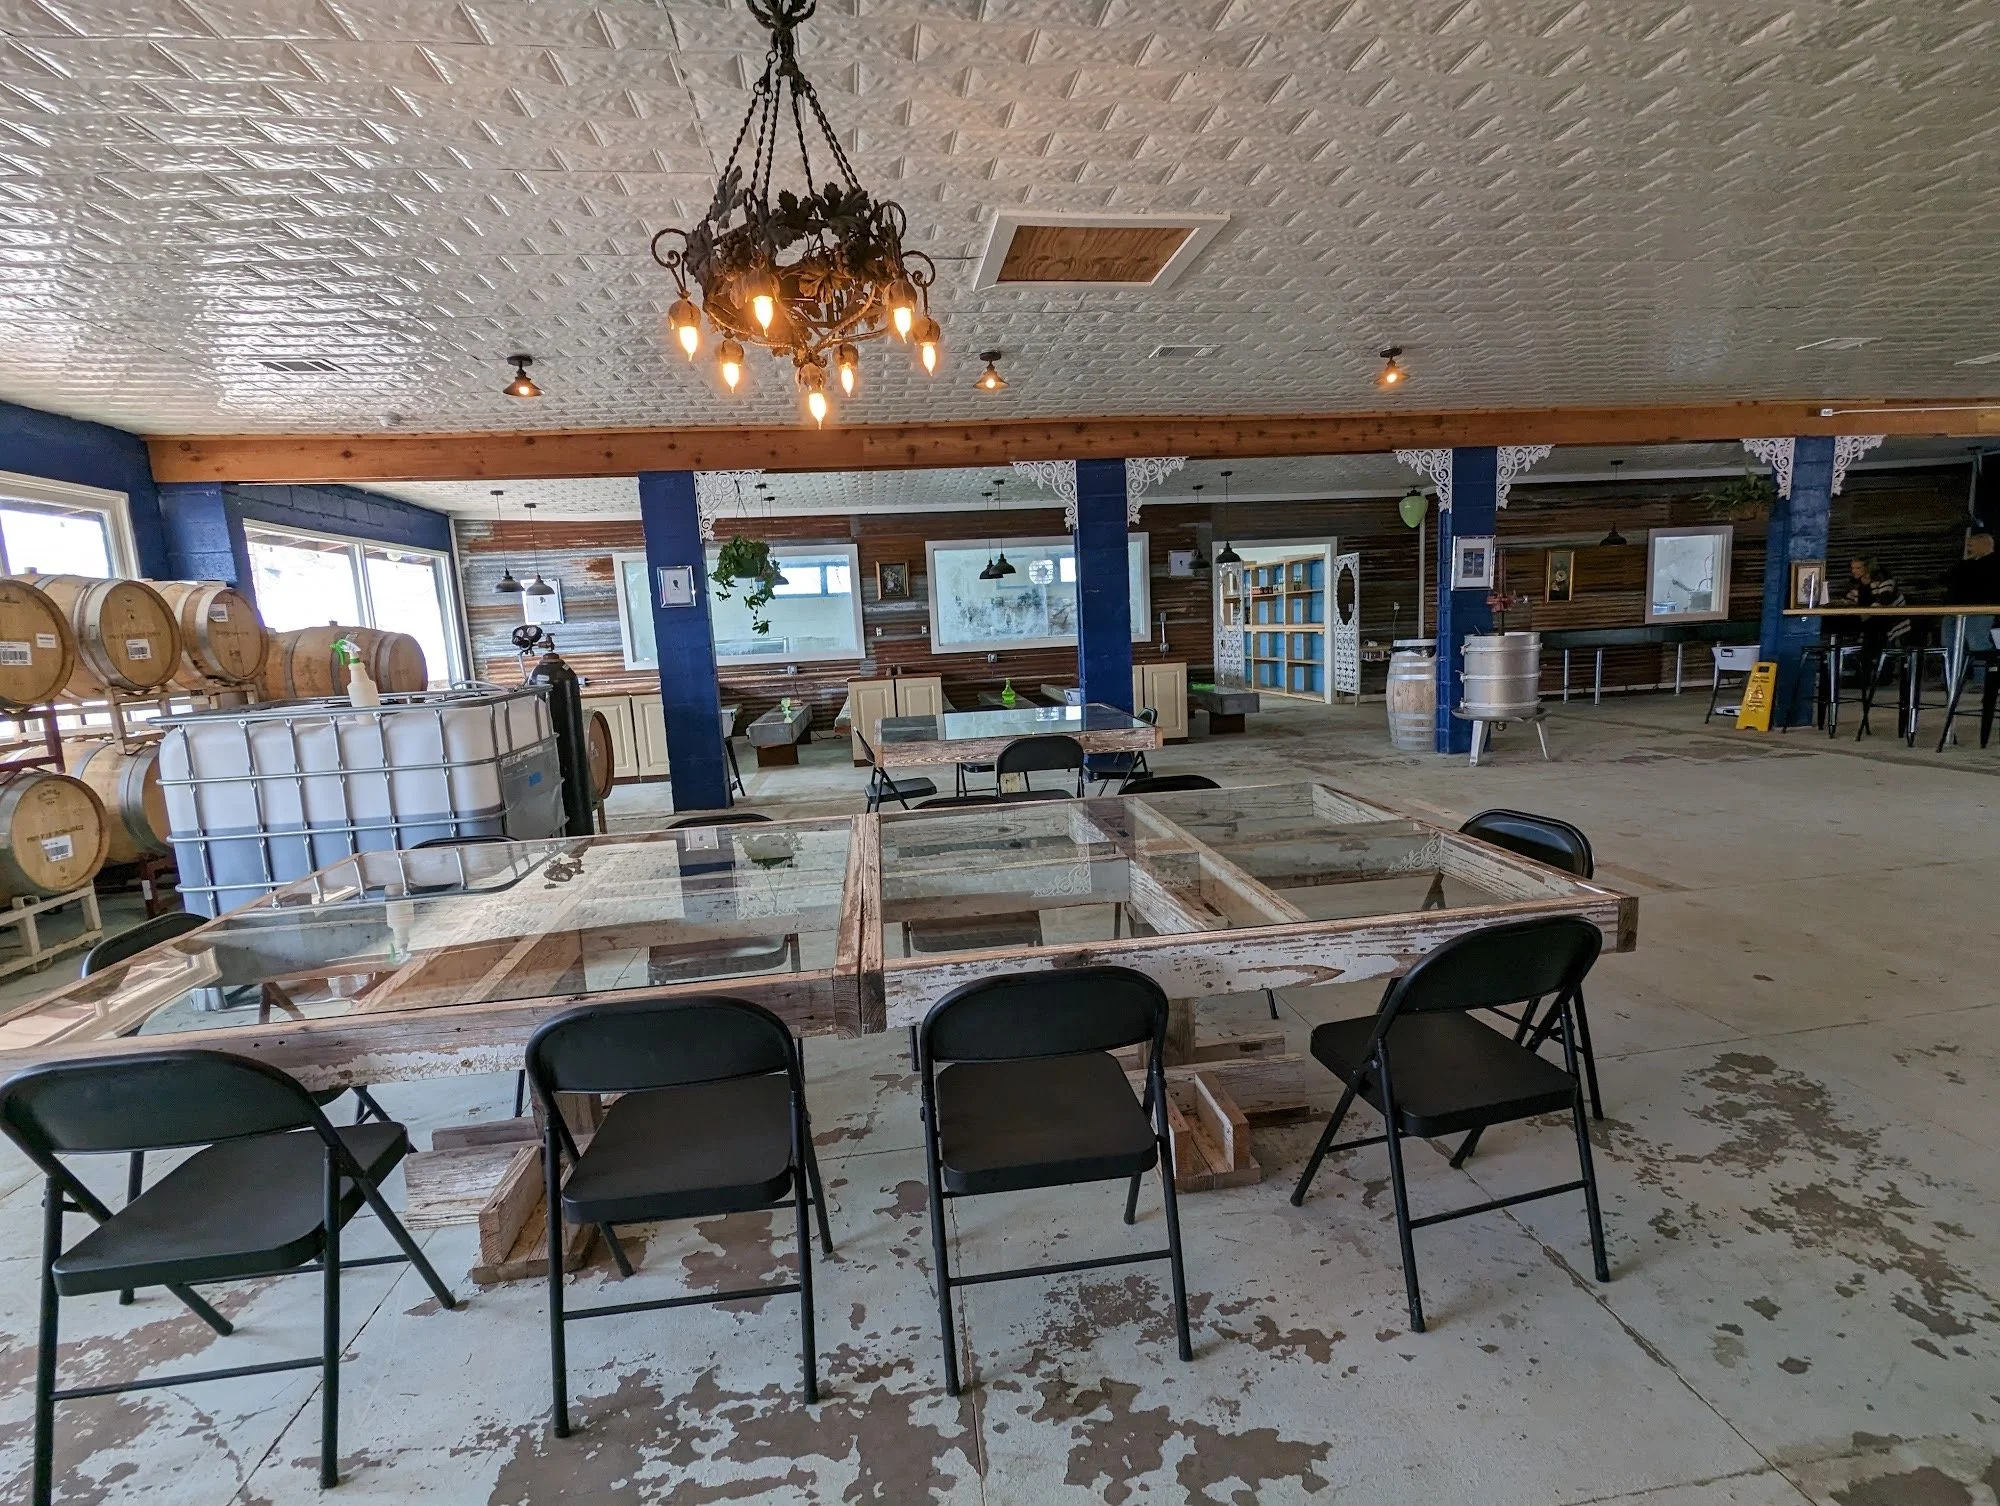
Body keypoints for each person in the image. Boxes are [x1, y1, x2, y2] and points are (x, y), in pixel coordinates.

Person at [1942, 531, 1998, 656]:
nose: (1968, 549)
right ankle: (1950, 674)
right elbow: (1948, 578)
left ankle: (1980, 675)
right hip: (1953, 610)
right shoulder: (1966, 564)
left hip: (1978, 610)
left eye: (1971, 546)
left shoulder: (1993, 563)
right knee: (1948, 647)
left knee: (1977, 645)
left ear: (1983, 545)